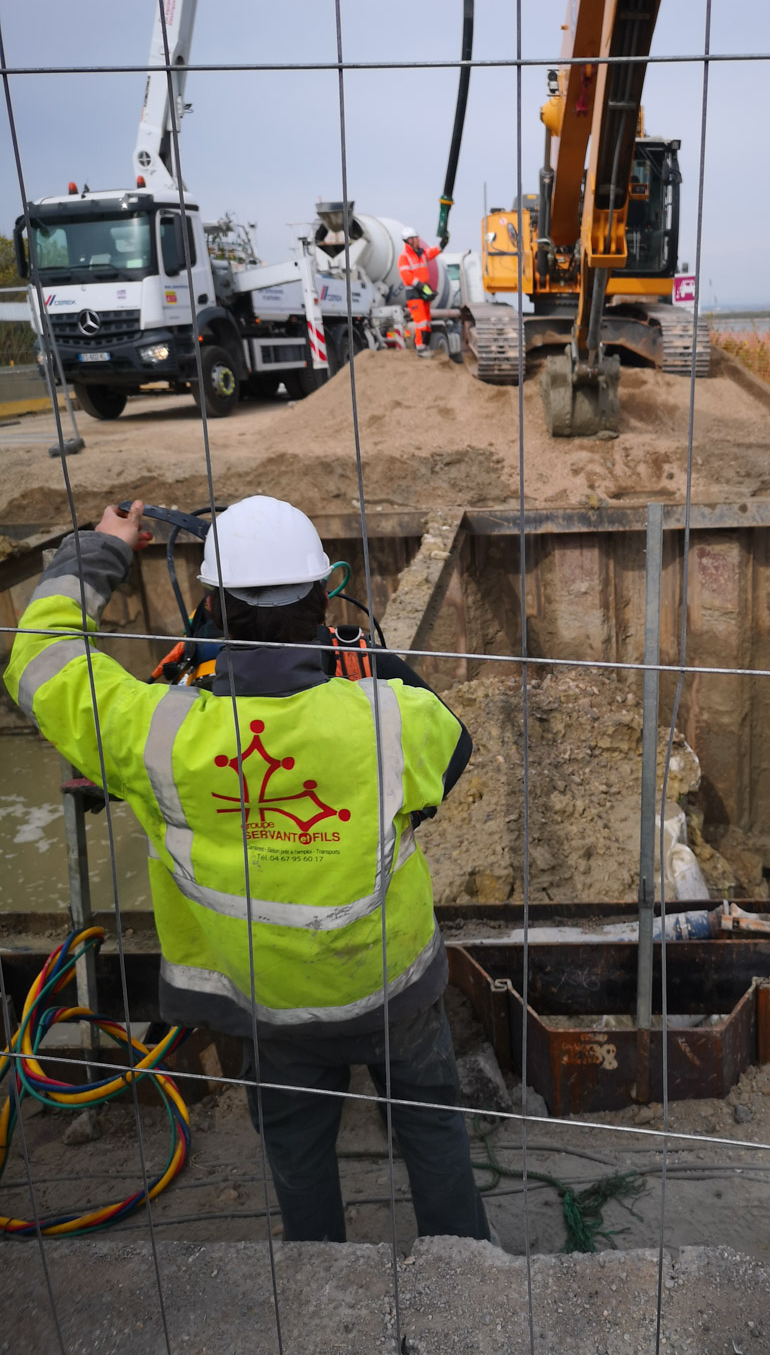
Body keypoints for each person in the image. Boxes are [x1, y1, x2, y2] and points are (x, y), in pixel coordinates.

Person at [5, 495, 491, 1246]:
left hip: (267, 999)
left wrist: (100, 550)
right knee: (432, 1135)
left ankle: (317, 1276)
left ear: (211, 607)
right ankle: (462, 1271)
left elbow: (38, 661)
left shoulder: (157, 733)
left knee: (297, 1154)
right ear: (321, 600)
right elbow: (452, 750)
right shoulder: (389, 718)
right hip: (392, 985)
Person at [397, 226, 441, 356]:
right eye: (415, 238)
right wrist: (421, 286)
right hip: (414, 293)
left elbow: (434, 251)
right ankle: (421, 349)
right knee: (420, 322)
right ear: (409, 241)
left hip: (423, 292)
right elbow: (407, 277)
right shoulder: (404, 257)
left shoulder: (422, 253)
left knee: (427, 321)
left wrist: (443, 243)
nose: (418, 240)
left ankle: (425, 347)